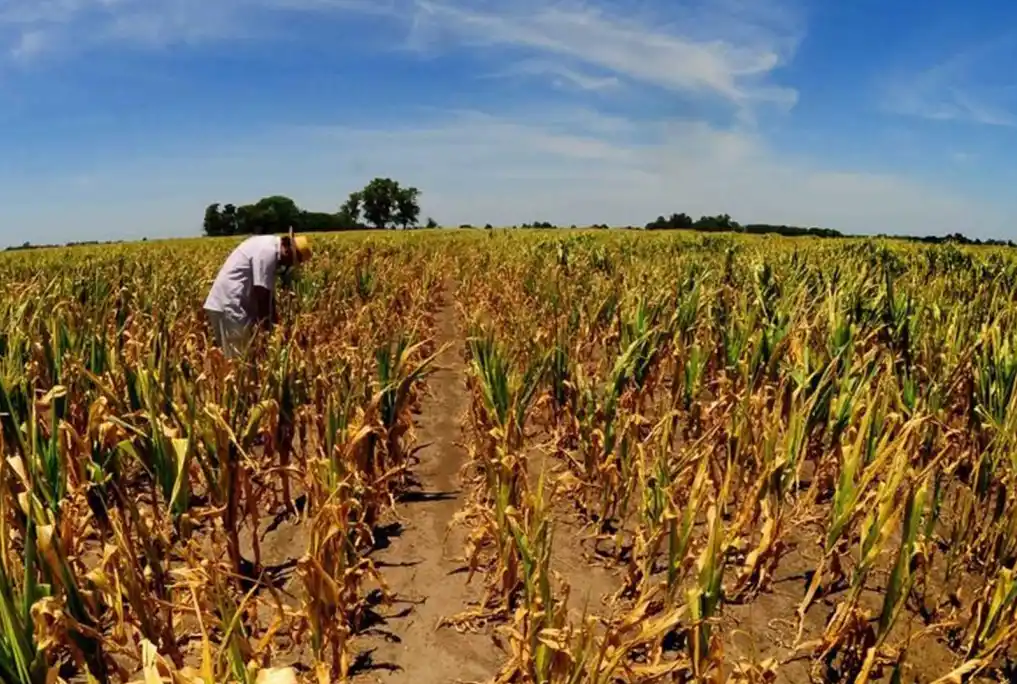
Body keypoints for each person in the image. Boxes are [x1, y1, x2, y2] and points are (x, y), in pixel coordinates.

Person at [204, 229, 312, 358]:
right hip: (230, 306)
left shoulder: (268, 244)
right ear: (288, 250)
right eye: (291, 261)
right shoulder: (268, 252)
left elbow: (267, 293)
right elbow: (263, 294)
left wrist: (273, 322)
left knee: (235, 357)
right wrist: (270, 330)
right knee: (238, 359)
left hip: (224, 304)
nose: (287, 265)